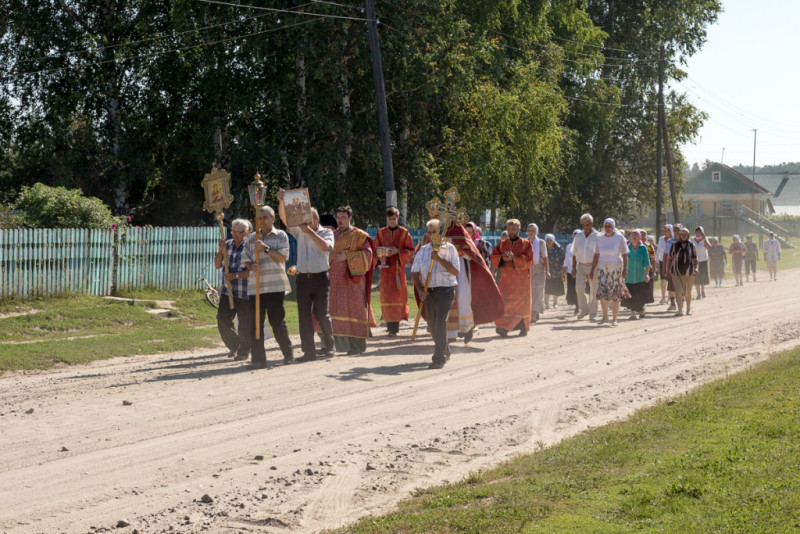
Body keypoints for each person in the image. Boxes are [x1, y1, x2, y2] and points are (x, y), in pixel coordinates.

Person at [277, 190, 335, 362]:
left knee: (322, 314)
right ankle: (309, 351)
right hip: (303, 279)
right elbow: (285, 219)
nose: (306, 223)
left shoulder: (326, 232)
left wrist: (309, 232)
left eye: (310, 219)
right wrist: (281, 201)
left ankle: (330, 345)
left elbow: (325, 247)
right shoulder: (300, 231)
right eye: (305, 219)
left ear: (316, 219)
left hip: (321, 279)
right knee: (304, 316)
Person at [242, 206, 294, 369]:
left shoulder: (281, 235)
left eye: (265, 217)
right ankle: (258, 360)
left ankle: (288, 354)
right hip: (256, 287)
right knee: (255, 324)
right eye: (259, 218)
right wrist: (251, 266)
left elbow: (283, 257)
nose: (262, 221)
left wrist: (265, 248)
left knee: (277, 321)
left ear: (273, 219)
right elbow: (245, 259)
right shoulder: (251, 238)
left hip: (275, 286)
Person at [442, 222, 504, 343]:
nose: (469, 234)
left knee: (463, 301)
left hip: (463, 273)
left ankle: (467, 328)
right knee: (449, 301)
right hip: (448, 273)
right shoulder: (446, 237)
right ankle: (451, 332)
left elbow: (471, 256)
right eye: (467, 231)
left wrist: (457, 251)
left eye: (470, 232)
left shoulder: (469, 242)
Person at [411, 219, 460, 369]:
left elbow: (455, 271)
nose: (432, 235)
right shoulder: (423, 250)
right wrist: (420, 290)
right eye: (430, 232)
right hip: (429, 292)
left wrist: (439, 259)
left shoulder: (450, 249)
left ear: (442, 233)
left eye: (435, 232)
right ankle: (445, 350)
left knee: (440, 322)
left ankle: (439, 358)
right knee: (432, 325)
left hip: (446, 290)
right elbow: (415, 272)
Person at [329, 205, 376, 354]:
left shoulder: (360, 236)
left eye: (343, 217)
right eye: (338, 217)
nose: (340, 220)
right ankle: (341, 347)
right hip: (335, 282)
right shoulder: (331, 235)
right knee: (337, 310)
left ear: (350, 218)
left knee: (355, 310)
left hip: (353, 282)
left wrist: (348, 256)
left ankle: (357, 346)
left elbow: (368, 256)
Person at [214, 218, 253, 360]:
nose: (235, 235)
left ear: (247, 232)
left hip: (245, 291)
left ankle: (244, 352)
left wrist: (235, 275)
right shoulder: (227, 245)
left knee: (244, 323)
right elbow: (217, 265)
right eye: (233, 231)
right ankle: (235, 344)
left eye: (239, 232)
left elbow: (254, 271)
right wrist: (220, 250)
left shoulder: (251, 247)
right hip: (227, 290)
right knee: (222, 319)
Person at [373, 207, 414, 337]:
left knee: (396, 297)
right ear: (387, 218)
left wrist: (397, 252)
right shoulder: (381, 233)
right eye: (390, 219)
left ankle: (394, 328)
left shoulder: (404, 233)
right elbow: (375, 250)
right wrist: (380, 257)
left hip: (397, 271)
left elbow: (410, 250)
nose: (392, 221)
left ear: (397, 218)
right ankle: (389, 326)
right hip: (385, 271)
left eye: (394, 218)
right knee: (386, 298)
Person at [492, 219, 533, 337]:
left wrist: (514, 258)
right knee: (504, 301)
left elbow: (529, 260)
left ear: (519, 229)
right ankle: (503, 326)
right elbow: (494, 256)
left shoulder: (526, 244)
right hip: (506, 279)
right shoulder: (502, 243)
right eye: (509, 229)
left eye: (513, 229)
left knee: (520, 303)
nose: (511, 231)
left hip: (521, 281)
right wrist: (502, 258)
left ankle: (522, 327)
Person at [590, 218, 630, 326]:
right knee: (602, 293)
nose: (607, 228)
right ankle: (605, 317)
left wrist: (625, 269)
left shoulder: (619, 237)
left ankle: (614, 319)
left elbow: (625, 254)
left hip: (616, 268)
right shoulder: (599, 238)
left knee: (615, 294)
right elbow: (596, 255)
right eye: (606, 226)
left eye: (609, 226)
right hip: (603, 268)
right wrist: (592, 270)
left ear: (613, 227)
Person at [571, 213, 600, 320]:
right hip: (581, 265)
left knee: (594, 289)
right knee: (579, 288)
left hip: (594, 265)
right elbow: (574, 253)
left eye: (588, 224)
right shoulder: (578, 236)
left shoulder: (598, 236)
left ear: (592, 224)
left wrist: (593, 269)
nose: (586, 227)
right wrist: (573, 268)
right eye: (583, 225)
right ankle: (584, 309)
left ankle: (593, 312)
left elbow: (598, 254)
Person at [667, 227, 698, 316]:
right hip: (676, 272)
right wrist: (668, 269)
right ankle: (680, 310)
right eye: (682, 234)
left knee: (687, 292)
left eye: (685, 234)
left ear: (688, 235)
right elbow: (670, 258)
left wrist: (696, 268)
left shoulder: (692, 246)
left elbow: (695, 259)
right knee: (678, 291)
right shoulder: (674, 245)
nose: (683, 236)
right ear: (679, 235)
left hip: (689, 272)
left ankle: (688, 309)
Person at [622, 230, 652, 320]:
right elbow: (623, 261)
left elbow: (647, 262)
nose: (634, 237)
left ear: (640, 237)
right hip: (629, 276)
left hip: (640, 276)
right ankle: (633, 314)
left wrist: (646, 274)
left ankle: (642, 310)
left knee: (640, 295)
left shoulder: (643, 248)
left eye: (636, 235)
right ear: (629, 237)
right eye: (633, 235)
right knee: (631, 295)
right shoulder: (627, 248)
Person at [526, 223, 549, 322]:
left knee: (538, 290)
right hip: (527, 269)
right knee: (529, 292)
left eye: (533, 230)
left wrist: (547, 271)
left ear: (536, 232)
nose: (531, 232)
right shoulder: (524, 242)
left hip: (539, 268)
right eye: (529, 230)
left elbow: (545, 258)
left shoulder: (541, 243)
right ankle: (536, 309)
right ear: (527, 231)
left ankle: (534, 313)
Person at [544, 234, 565, 309]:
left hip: (557, 270)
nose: (548, 242)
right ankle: (546, 303)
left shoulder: (559, 248)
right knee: (547, 287)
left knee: (555, 287)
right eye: (547, 240)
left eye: (550, 240)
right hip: (547, 270)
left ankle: (555, 303)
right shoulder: (543, 247)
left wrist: (563, 272)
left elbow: (563, 259)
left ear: (553, 241)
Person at [655, 224, 674, 306]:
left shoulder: (674, 239)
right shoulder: (661, 239)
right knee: (663, 280)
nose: (665, 232)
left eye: (667, 231)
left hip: (671, 261)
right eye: (665, 231)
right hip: (662, 261)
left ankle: (670, 297)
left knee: (670, 280)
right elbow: (658, 250)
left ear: (671, 231)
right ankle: (663, 297)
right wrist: (656, 261)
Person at [563, 229, 580, 314]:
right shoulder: (569, 246)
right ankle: (576, 304)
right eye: (574, 236)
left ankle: (578, 306)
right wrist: (564, 271)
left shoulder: (583, 246)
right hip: (570, 271)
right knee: (572, 289)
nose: (576, 237)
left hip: (580, 271)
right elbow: (566, 259)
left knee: (578, 289)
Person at [691, 226, 711, 299]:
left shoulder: (705, 239)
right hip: (694, 261)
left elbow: (709, 248)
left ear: (703, 233)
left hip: (703, 261)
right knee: (696, 278)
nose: (698, 234)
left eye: (700, 232)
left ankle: (703, 291)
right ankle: (698, 293)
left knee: (703, 277)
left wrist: (704, 239)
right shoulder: (691, 240)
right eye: (697, 232)